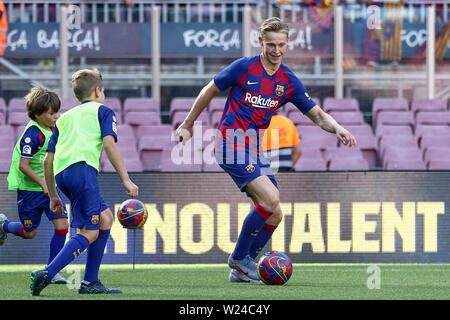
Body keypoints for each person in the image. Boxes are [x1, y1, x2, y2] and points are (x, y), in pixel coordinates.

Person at [175, 17, 356, 283]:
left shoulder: (288, 80)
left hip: (254, 148)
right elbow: (209, 90)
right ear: (260, 41)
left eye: (281, 44)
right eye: (270, 44)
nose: (276, 50)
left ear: (287, 43)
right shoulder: (244, 68)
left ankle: (242, 267)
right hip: (229, 141)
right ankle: (239, 259)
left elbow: (316, 114)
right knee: (270, 198)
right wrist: (188, 123)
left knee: (275, 212)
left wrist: (337, 127)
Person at [29, 68, 139, 296]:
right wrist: (126, 180)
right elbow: (109, 145)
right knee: (89, 232)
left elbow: (47, 161)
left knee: (105, 218)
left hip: (62, 174)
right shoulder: (104, 112)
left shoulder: (64, 118)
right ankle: (47, 273)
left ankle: (90, 281)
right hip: (83, 171)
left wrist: (53, 195)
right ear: (98, 90)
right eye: (104, 89)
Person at [0, 86, 69, 284]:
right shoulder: (33, 134)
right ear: (37, 115)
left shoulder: (54, 128)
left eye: (57, 111)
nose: (56, 116)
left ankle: (52, 271)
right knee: (30, 233)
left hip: (49, 190)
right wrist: (42, 184)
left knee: (62, 225)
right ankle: (3, 225)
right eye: (51, 113)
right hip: (30, 192)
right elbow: (23, 165)